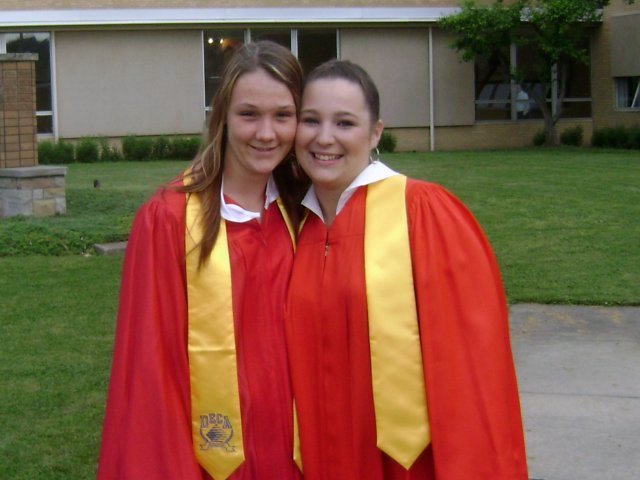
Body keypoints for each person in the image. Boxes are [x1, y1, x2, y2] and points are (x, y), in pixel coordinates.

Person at [285, 60, 528, 479]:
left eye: (345, 123)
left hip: (409, 466)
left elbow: (472, 373)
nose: (324, 137)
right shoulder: (292, 227)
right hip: (321, 457)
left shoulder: (423, 213)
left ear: (375, 132)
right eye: (311, 120)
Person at [97, 41, 307, 480]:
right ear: (222, 116)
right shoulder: (168, 220)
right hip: (207, 461)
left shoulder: (305, 212)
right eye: (249, 114)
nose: (266, 133)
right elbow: (150, 372)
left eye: (282, 115)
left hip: (295, 458)